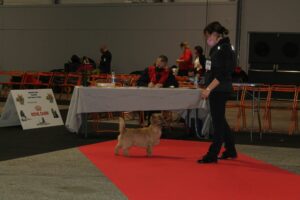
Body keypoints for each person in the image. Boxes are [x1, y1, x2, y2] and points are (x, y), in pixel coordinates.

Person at [198, 21, 237, 164]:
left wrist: (208, 89)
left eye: (208, 36)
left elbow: (222, 74)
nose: (207, 39)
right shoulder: (217, 49)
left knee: (218, 122)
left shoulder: (223, 49)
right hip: (217, 88)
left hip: (219, 90)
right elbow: (211, 70)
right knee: (220, 119)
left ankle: (212, 154)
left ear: (215, 34)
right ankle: (231, 149)